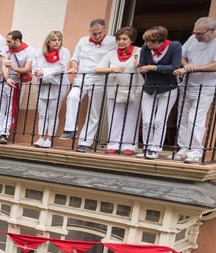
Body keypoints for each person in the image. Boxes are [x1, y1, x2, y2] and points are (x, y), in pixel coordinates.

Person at [174, 17, 216, 163]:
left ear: (212, 31)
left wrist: (194, 68)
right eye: (195, 33)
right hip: (188, 84)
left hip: (207, 86)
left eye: (200, 34)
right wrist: (186, 65)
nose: (197, 36)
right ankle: (183, 149)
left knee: (195, 119)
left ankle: (195, 151)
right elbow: (182, 56)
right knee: (183, 117)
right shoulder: (193, 39)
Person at [61, 18, 115, 152]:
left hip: (99, 79)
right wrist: (74, 68)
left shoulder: (113, 42)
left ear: (105, 31)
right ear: (89, 31)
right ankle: (70, 129)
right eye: (94, 33)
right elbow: (75, 58)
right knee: (72, 97)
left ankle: (84, 143)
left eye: (100, 33)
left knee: (94, 112)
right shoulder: (83, 40)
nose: (97, 36)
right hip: (81, 77)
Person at [138, 25, 183, 160]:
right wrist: (145, 70)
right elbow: (141, 66)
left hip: (168, 88)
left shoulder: (175, 46)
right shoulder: (146, 49)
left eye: (149, 41)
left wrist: (154, 67)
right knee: (146, 121)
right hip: (149, 88)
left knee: (159, 120)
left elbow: (175, 66)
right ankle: (146, 147)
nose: (146, 44)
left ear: (158, 41)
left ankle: (155, 148)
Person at [95, 27, 142, 155]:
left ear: (131, 40)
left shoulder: (140, 52)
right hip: (114, 90)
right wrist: (112, 70)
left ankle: (129, 146)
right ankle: (113, 144)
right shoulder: (111, 54)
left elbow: (146, 67)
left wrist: (140, 65)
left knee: (132, 117)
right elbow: (98, 69)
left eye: (124, 39)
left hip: (134, 90)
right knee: (115, 117)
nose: (121, 42)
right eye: (119, 39)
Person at [32, 30, 71, 147]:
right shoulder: (40, 52)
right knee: (42, 113)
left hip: (57, 86)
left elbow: (61, 68)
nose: (57, 42)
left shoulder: (64, 52)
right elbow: (35, 66)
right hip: (43, 86)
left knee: (52, 114)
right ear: (48, 41)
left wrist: (43, 72)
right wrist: (37, 72)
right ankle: (41, 137)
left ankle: (49, 139)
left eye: (59, 40)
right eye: (54, 40)